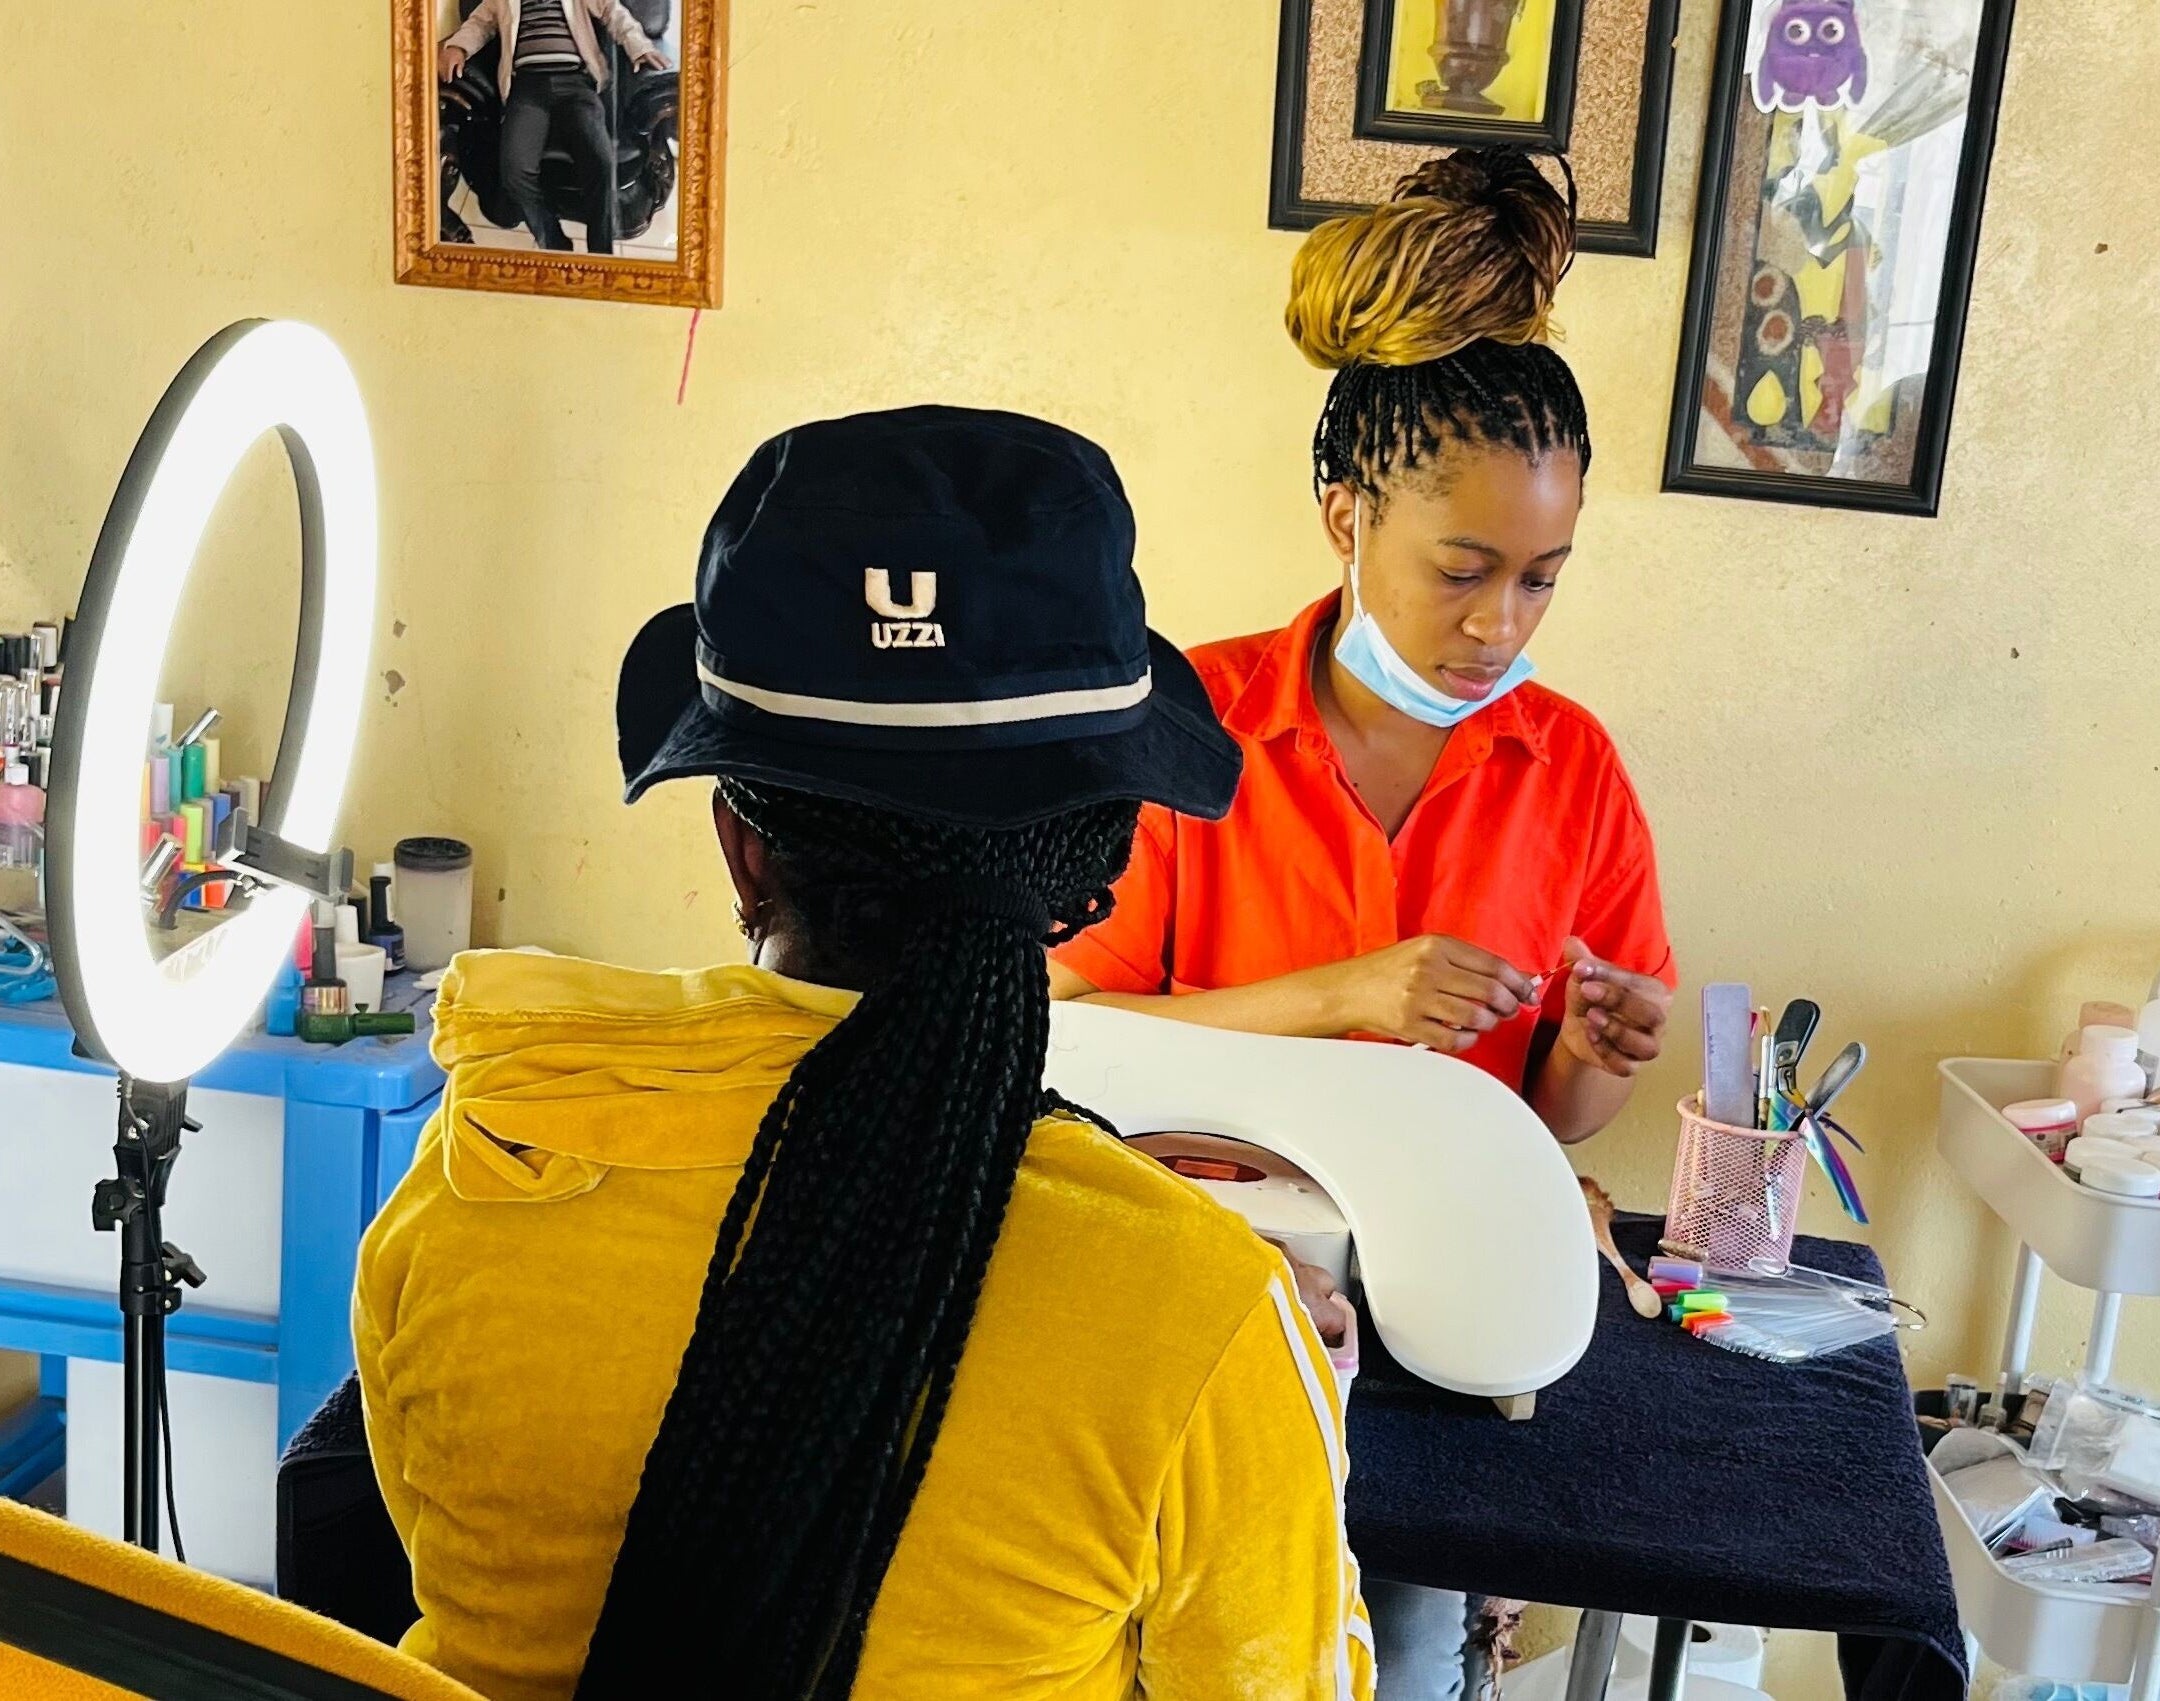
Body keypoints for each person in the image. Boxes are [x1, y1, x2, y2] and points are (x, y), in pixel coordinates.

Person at [354, 409, 1376, 1700]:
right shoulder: (1204, 1320)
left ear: (741, 844)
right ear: (1101, 861)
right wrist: (1301, 1422)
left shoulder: (475, 1180)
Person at [1049, 146, 1678, 1700]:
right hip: (1181, 1317)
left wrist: (1595, 1061)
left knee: (1391, 1658)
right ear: (1342, 510)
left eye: (1542, 579)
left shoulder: (1571, 766)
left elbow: (1550, 1118)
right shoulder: (1183, 726)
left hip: (1441, 1348)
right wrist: (1339, 998)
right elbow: (1065, 1036)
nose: (1498, 626)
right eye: (1460, 571)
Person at [438, 0, 670, 254]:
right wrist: (457, 47)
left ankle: (601, 253)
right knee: (514, 171)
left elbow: (613, 12)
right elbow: (479, 23)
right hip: (527, 89)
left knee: (601, 162)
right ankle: (554, 243)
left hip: (576, 84)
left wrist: (639, 47)